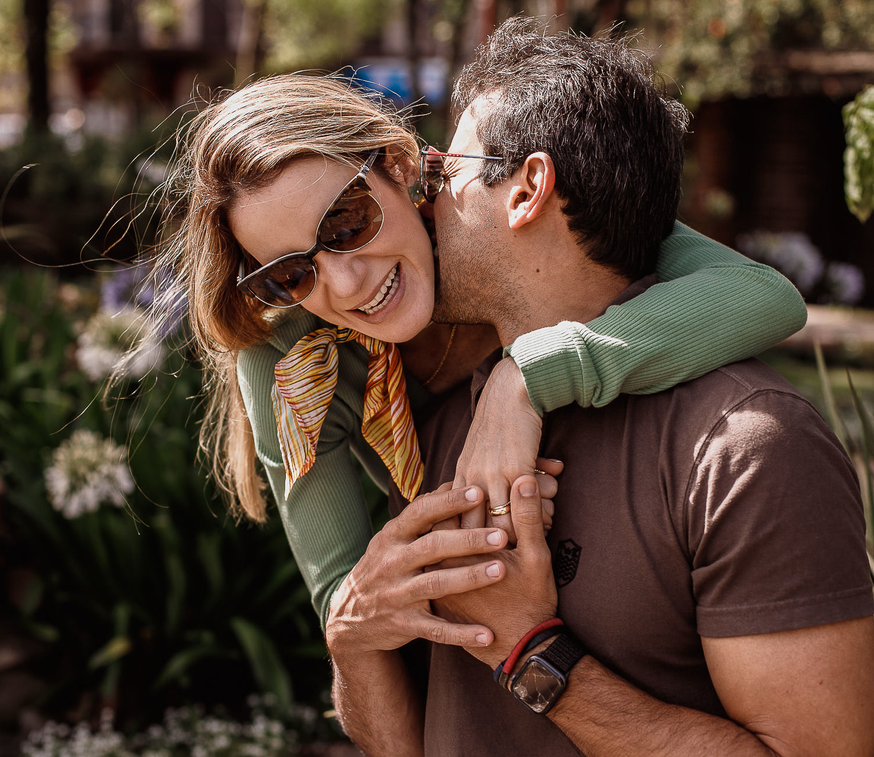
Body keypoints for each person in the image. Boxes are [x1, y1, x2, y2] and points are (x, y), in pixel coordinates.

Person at [325, 18, 874, 757]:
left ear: (526, 190)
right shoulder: (446, 413)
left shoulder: (744, 445)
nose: (424, 197)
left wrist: (529, 649)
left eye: (444, 168)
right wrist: (354, 633)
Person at [156, 72, 808, 646]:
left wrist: (524, 374)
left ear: (399, 165)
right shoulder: (290, 360)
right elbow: (349, 608)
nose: (347, 284)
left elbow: (764, 295)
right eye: (289, 275)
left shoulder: (494, 217)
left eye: (348, 224)